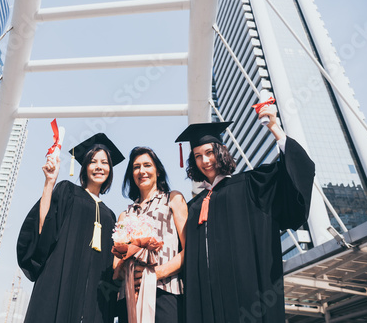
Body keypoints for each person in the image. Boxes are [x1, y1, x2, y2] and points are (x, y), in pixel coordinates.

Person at [177, 106, 315, 323]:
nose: (205, 161)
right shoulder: (194, 206)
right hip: (208, 300)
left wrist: (274, 127)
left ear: (221, 151)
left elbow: (297, 169)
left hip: (247, 294)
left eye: (209, 152)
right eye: (198, 156)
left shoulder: (250, 184)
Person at [17, 133, 125, 323]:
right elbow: (44, 228)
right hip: (59, 280)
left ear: (110, 169)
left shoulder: (110, 215)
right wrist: (50, 182)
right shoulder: (67, 191)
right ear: (84, 167)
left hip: (93, 298)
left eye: (104, 162)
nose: (99, 166)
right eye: (93, 161)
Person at [114, 146, 188, 323]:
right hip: (131, 294)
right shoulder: (125, 215)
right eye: (136, 167)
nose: (142, 171)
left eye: (147, 165)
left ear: (158, 171)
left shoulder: (173, 199)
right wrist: (130, 274)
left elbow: (190, 249)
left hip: (166, 291)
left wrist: (156, 273)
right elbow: (116, 266)